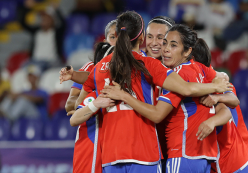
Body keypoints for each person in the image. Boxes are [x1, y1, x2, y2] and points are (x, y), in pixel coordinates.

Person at [61, 11, 231, 173]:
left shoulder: (99, 68)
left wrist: (95, 102)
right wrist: (216, 87)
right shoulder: (148, 64)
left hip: (111, 156)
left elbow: (77, 107)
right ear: (141, 37)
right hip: (144, 153)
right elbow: (186, 88)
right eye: (150, 36)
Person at [65, 19, 117, 113]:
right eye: (113, 37)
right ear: (105, 42)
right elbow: (69, 104)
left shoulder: (135, 66)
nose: (117, 42)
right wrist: (94, 101)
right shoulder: (90, 67)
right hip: (95, 125)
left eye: (121, 38)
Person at [69, 91, 114, 173]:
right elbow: (74, 120)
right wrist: (95, 104)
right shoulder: (97, 94)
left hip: (114, 155)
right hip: (90, 154)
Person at [19, 0, 66, 67]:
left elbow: (63, 24)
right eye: (42, 18)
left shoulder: (56, 32)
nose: (43, 20)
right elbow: (23, 23)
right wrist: (27, 8)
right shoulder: (36, 32)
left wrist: (57, 10)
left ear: (52, 20)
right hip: (36, 61)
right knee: (23, 69)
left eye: (46, 18)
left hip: (52, 62)